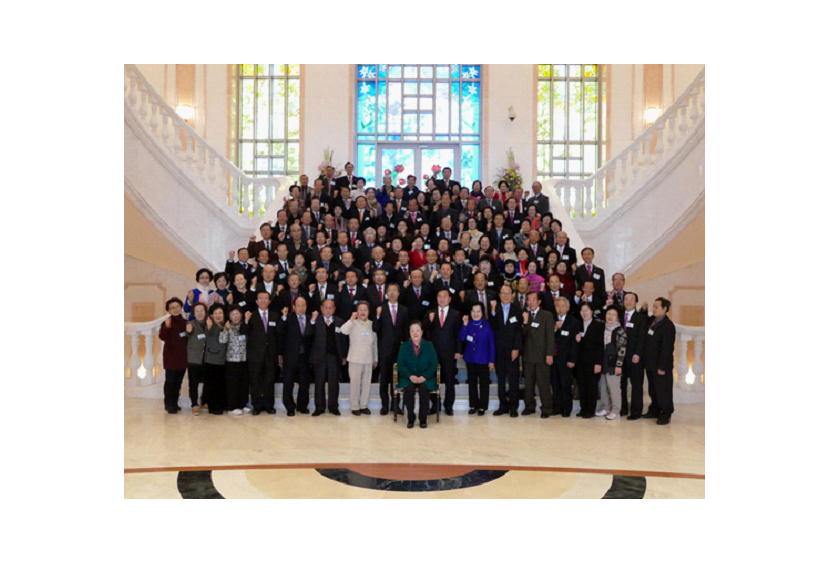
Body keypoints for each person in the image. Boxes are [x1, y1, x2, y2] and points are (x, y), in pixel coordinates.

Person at [424, 289, 462, 415]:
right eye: (439, 296)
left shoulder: (456, 314)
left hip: (450, 352)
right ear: (436, 298)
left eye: (444, 296)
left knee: (450, 380)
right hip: (433, 353)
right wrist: (429, 321)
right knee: (432, 379)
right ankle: (435, 405)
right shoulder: (430, 312)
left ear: (449, 299)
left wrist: (458, 350)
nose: (442, 299)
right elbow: (424, 330)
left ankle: (449, 406)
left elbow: (458, 334)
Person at [373, 283, 409, 414]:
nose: (392, 293)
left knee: (396, 379)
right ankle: (384, 405)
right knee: (384, 379)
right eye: (390, 291)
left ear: (399, 293)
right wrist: (377, 316)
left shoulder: (404, 310)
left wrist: (406, 348)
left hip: (399, 350)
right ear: (386, 294)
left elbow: (406, 331)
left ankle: (395, 405)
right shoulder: (381, 309)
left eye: (395, 290)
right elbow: (375, 328)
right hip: (384, 349)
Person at [242, 291, 280, 415]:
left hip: (271, 354)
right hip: (255, 354)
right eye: (261, 298)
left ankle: (269, 405)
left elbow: (279, 334)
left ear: (269, 301)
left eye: (266, 298)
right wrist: (246, 320)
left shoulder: (275, 315)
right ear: (257, 301)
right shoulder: (251, 315)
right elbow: (244, 332)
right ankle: (257, 405)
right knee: (255, 380)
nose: (263, 300)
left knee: (270, 380)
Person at [397, 321, 439, 429]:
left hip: (426, 377)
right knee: (409, 389)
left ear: (422, 332)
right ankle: (411, 417)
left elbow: (434, 364)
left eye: (417, 330)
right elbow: (400, 365)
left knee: (424, 389)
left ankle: (423, 418)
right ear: (409, 333)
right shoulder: (404, 346)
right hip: (408, 377)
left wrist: (424, 376)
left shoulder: (429, 345)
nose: (415, 333)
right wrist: (410, 376)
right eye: (412, 331)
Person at [339, 301, 378, 416]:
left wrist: (375, 358)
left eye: (365, 310)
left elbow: (374, 344)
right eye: (360, 309)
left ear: (368, 312)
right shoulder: (353, 323)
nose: (362, 312)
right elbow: (343, 330)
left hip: (368, 359)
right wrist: (351, 319)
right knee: (355, 384)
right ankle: (355, 406)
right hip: (355, 359)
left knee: (366, 384)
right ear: (357, 311)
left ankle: (364, 405)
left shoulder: (372, 324)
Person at [489, 285, 523, 416]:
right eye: (503, 293)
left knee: (513, 380)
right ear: (499, 295)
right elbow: (492, 328)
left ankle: (513, 407)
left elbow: (519, 331)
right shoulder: (495, 308)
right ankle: (503, 406)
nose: (505, 295)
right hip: (499, 350)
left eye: (508, 293)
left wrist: (516, 348)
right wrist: (492, 313)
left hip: (512, 350)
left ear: (512, 295)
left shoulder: (517, 308)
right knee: (501, 380)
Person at [642, 297, 677, 425]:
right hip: (650, 363)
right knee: (653, 389)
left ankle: (666, 413)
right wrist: (644, 311)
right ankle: (655, 410)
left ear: (665, 309)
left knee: (663, 390)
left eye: (657, 307)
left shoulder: (668, 326)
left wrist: (662, 367)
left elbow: (667, 349)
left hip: (661, 366)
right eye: (653, 306)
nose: (654, 309)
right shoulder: (652, 320)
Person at [310, 299, 347, 416]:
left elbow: (344, 340)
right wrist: (312, 321)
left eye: (330, 308)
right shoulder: (315, 321)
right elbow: (308, 334)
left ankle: (333, 407)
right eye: (326, 308)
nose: (328, 310)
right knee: (319, 382)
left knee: (334, 383)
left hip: (334, 357)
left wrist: (344, 356)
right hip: (319, 357)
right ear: (321, 309)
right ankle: (319, 407)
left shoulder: (339, 322)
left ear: (334, 309)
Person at [521, 292, 555, 417]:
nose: (530, 302)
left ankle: (546, 408)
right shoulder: (524, 315)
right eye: (528, 300)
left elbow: (550, 336)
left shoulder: (547, 315)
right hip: (528, 355)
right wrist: (525, 322)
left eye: (533, 300)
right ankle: (529, 407)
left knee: (543, 384)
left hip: (542, 355)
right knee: (528, 384)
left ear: (539, 302)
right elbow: (521, 335)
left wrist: (549, 354)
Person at [278, 297, 314, 416]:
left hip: (305, 357)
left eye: (303, 305)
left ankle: (302, 406)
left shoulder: (310, 318)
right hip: (290, 357)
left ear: (306, 307)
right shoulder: (288, 318)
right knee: (288, 383)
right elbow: (279, 331)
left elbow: (312, 336)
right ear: (294, 307)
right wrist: (283, 317)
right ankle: (289, 407)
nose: (301, 308)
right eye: (298, 305)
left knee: (304, 383)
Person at [459, 303, 496, 415]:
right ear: (470, 313)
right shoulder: (468, 324)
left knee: (484, 384)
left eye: (478, 311)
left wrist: (491, 360)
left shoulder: (487, 325)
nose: (476, 314)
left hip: (483, 359)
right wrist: (464, 325)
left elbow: (492, 344)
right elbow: (462, 338)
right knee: (472, 383)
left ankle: (482, 407)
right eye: (473, 311)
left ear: (482, 313)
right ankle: (473, 405)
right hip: (470, 359)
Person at [552, 296, 581, 417]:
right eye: (558, 306)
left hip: (566, 360)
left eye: (563, 306)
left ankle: (566, 408)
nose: (560, 308)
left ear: (568, 308)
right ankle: (557, 407)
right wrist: (555, 328)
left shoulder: (574, 322)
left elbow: (575, 344)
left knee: (565, 385)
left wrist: (572, 360)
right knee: (555, 384)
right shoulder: (551, 320)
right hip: (553, 359)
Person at [597, 306, 628, 420]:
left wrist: (619, 365)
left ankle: (615, 410)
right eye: (608, 314)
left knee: (614, 388)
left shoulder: (620, 331)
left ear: (618, 318)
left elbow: (622, 350)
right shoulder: (602, 328)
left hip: (614, 363)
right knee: (602, 386)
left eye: (613, 315)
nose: (610, 316)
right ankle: (605, 407)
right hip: (603, 362)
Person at [158, 298, 188, 414]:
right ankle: (169, 405)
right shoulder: (166, 322)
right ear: (169, 310)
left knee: (178, 383)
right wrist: (167, 327)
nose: (175, 309)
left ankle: (175, 403)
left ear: (181, 307)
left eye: (177, 307)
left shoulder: (186, 322)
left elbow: (188, 338)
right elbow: (162, 337)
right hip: (170, 358)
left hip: (182, 358)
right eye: (172, 308)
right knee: (170, 382)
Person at [622, 292, 649, 420]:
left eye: (631, 299)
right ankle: (623, 408)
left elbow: (642, 338)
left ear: (636, 302)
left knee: (636, 385)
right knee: (621, 384)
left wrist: (637, 353)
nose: (628, 301)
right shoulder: (619, 315)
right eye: (626, 299)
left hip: (634, 356)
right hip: (620, 357)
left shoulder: (641, 318)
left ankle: (636, 412)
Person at [575, 303, 605, 418]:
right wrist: (576, 340)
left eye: (586, 310)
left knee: (591, 386)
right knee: (582, 386)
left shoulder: (598, 325)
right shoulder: (578, 325)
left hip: (593, 362)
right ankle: (583, 408)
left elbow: (600, 346)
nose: (584, 313)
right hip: (580, 362)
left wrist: (598, 363)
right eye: (582, 310)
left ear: (592, 311)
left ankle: (590, 410)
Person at [219, 306, 250, 416]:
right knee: (233, 384)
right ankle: (232, 406)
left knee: (244, 383)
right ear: (229, 316)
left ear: (241, 315)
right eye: (233, 314)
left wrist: (246, 321)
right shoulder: (228, 326)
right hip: (232, 360)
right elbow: (222, 340)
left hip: (244, 359)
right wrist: (226, 329)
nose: (235, 316)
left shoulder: (245, 325)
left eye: (237, 313)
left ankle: (242, 404)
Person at [202, 304, 228, 415]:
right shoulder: (209, 325)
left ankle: (221, 404)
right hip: (212, 360)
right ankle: (213, 406)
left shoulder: (226, 325)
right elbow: (206, 335)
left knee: (221, 384)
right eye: (215, 313)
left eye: (220, 313)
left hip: (224, 360)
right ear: (211, 315)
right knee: (212, 385)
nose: (218, 315)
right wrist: (209, 327)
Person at [184, 302, 208, 415]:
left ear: (205, 312)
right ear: (193, 313)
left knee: (207, 381)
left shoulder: (209, 323)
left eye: (201, 310)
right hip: (194, 359)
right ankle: (194, 404)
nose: (199, 313)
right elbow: (183, 335)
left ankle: (204, 401)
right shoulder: (190, 324)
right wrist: (187, 331)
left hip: (207, 358)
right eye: (197, 311)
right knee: (193, 384)